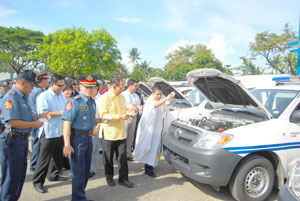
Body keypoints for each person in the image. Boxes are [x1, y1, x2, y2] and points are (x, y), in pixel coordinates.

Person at [0, 70, 47, 200]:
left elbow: (26, 117)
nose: (32, 89)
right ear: (22, 83)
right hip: (13, 140)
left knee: (19, 177)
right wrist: (34, 124)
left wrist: (39, 117)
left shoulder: (23, 96)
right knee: (11, 178)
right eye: (31, 85)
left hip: (21, 140)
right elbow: (13, 122)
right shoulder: (12, 97)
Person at [62, 75, 97, 201]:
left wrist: (100, 120)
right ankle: (78, 198)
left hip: (88, 138)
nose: (89, 89)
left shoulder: (92, 102)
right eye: (86, 87)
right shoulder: (74, 102)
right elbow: (67, 123)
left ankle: (80, 196)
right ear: (80, 86)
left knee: (86, 170)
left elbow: (90, 120)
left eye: (91, 87)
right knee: (78, 172)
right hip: (77, 140)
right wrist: (67, 145)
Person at [32, 74, 68, 194]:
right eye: (59, 85)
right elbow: (43, 114)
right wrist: (60, 113)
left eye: (63, 85)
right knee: (44, 159)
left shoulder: (61, 96)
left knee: (57, 157)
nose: (61, 88)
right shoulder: (43, 96)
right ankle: (37, 182)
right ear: (52, 84)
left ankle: (54, 175)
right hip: (48, 131)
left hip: (59, 130)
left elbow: (66, 110)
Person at [99, 77, 134, 188]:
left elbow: (123, 110)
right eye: (121, 87)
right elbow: (104, 115)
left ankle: (123, 179)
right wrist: (119, 116)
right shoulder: (104, 98)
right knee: (108, 158)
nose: (122, 90)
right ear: (114, 86)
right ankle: (109, 178)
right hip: (109, 133)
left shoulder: (122, 97)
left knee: (122, 157)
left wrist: (129, 112)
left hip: (121, 132)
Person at [133, 85, 174, 177]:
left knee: (155, 148)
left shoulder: (160, 101)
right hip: (149, 129)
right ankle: (148, 168)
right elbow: (154, 106)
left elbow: (166, 112)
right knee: (149, 147)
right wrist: (166, 98)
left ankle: (151, 164)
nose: (159, 96)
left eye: (161, 94)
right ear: (152, 93)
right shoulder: (150, 101)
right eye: (157, 94)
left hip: (157, 129)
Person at [28, 72, 49, 172]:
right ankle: (34, 164)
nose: (48, 82)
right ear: (42, 81)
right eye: (46, 80)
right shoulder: (39, 92)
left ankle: (34, 163)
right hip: (38, 118)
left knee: (35, 141)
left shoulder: (34, 90)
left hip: (33, 118)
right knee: (37, 142)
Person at [121, 79, 141, 161]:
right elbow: (120, 106)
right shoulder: (123, 95)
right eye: (135, 86)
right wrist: (130, 108)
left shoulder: (136, 96)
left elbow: (139, 105)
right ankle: (121, 154)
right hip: (125, 117)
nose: (136, 88)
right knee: (123, 136)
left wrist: (139, 108)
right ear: (130, 86)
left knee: (130, 136)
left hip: (134, 117)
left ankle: (128, 154)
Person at [89, 80, 102, 178]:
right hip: (83, 126)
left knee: (94, 148)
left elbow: (101, 115)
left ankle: (91, 169)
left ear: (96, 88)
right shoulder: (84, 98)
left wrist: (97, 128)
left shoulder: (101, 99)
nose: (89, 89)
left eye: (91, 87)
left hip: (95, 126)